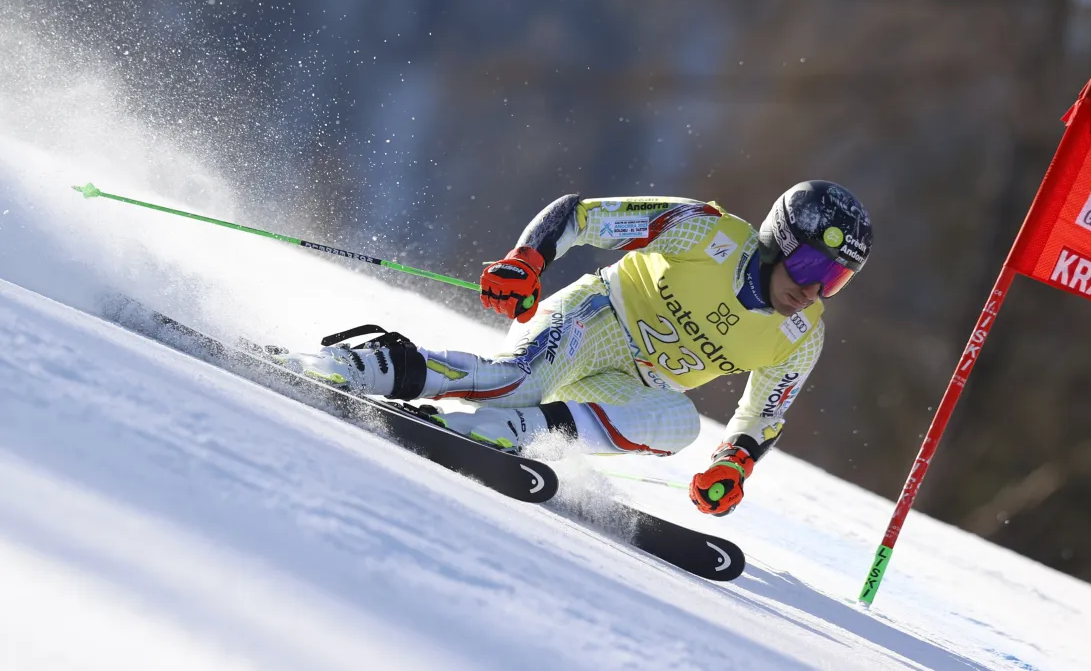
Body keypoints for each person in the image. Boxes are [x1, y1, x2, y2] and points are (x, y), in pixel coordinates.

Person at [277, 180, 872, 516]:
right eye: (814, 264)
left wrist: (733, 464)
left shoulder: (799, 337)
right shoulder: (708, 230)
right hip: (597, 320)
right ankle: (367, 365)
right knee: (513, 380)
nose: (815, 289)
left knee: (681, 426)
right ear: (778, 239)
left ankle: (521, 432)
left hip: (636, 384)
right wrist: (527, 260)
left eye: (837, 279)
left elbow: (762, 417)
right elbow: (581, 215)